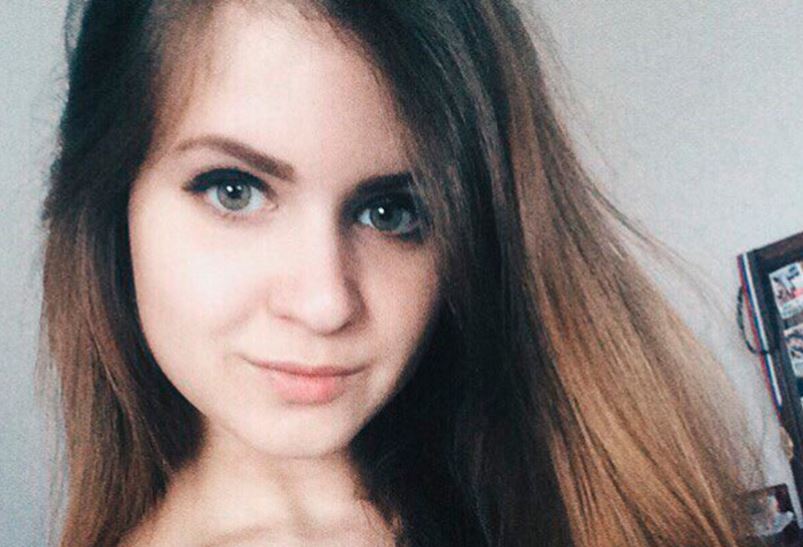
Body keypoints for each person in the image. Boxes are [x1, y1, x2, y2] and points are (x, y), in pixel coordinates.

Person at [36, 0, 766, 545]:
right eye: (235, 190)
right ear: (109, 206)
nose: (326, 302)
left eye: (391, 212)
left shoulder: (598, 501)